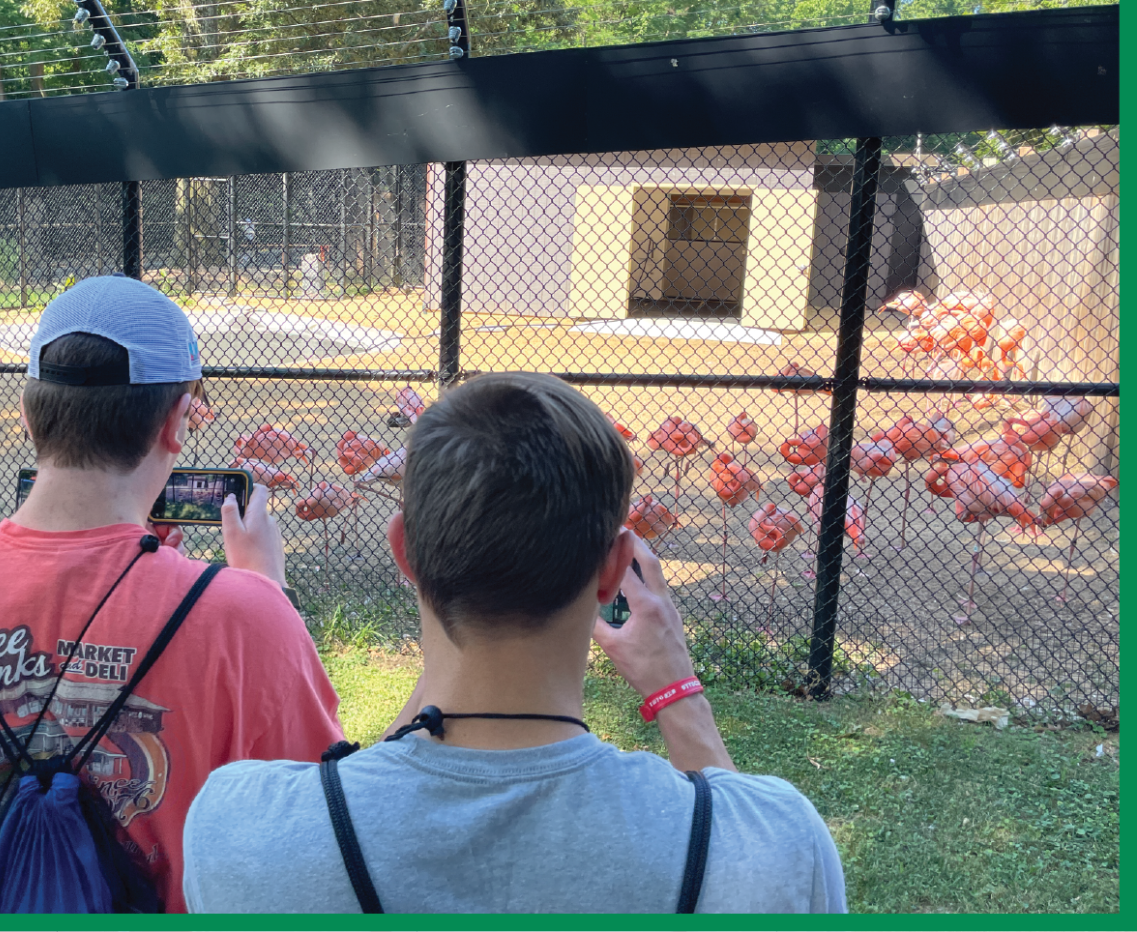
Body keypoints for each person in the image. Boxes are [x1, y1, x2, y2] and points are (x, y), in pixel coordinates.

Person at [182, 372, 846, 913]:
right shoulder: (778, 841)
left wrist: (266, 592)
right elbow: (751, 865)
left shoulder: (238, 830)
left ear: (403, 552)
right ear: (613, 570)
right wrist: (679, 692)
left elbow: (342, 807)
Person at [0, 275, 344, 912]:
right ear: (178, 421)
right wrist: (266, 592)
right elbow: (311, 818)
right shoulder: (243, 615)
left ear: (29, 417)